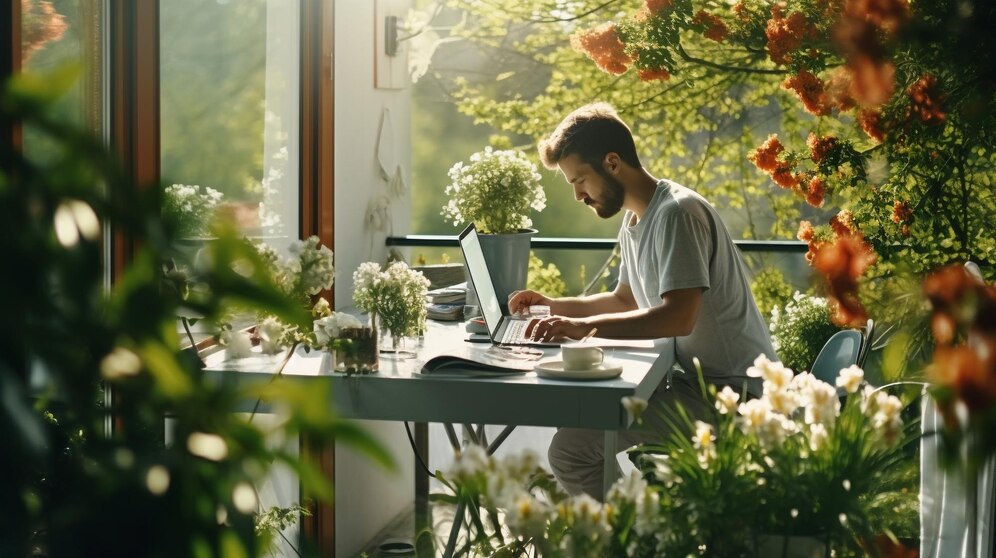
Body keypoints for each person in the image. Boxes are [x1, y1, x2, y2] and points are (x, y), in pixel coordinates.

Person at [509, 102, 776, 498]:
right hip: (695, 386)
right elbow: (623, 299)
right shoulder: (636, 217)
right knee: (576, 443)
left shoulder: (677, 214)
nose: (578, 195)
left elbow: (678, 319)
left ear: (612, 163)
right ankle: (638, 534)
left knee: (571, 452)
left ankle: (637, 540)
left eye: (579, 180)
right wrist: (554, 305)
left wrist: (582, 329)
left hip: (731, 397)